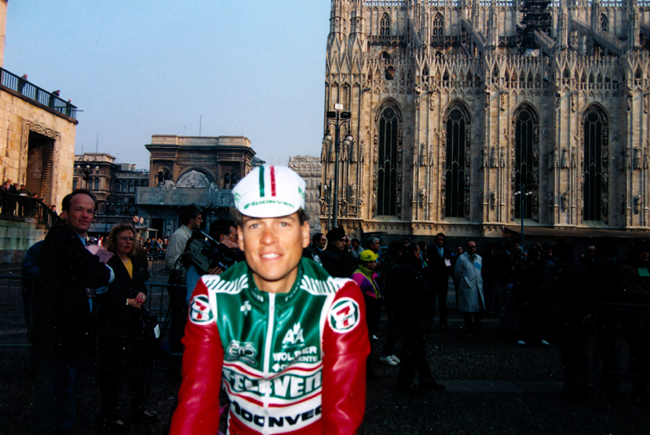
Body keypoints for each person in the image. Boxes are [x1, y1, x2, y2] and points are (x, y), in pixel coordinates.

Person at [170, 165, 370, 435]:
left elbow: (342, 413)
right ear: (240, 237)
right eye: (255, 225)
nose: (268, 239)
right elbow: (196, 401)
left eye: (282, 224)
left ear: (303, 234)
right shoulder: (213, 296)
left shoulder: (337, 299)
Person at [30, 189, 114, 434]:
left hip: (66, 338)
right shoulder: (62, 238)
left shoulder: (72, 240)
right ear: (65, 213)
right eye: (79, 209)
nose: (85, 216)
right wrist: (107, 273)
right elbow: (95, 273)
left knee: (62, 401)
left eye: (90, 211)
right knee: (60, 404)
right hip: (61, 340)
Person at [96, 223, 156, 429]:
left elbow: (140, 285)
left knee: (138, 370)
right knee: (112, 373)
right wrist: (125, 302)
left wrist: (142, 295)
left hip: (135, 324)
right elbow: (102, 292)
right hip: (113, 324)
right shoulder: (106, 261)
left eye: (131, 238)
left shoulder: (135, 261)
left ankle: (138, 408)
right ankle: (110, 414)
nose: (128, 242)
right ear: (115, 240)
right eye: (124, 238)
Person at [393, 242, 445, 393]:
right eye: (418, 252)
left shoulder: (406, 268)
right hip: (412, 317)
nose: (419, 254)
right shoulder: (409, 270)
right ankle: (407, 381)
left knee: (418, 349)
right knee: (412, 350)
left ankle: (425, 380)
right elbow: (415, 295)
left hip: (412, 316)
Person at [165, 204, 203, 353]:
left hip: (184, 284)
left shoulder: (188, 235)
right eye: (199, 219)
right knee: (178, 321)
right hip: (179, 284)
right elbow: (171, 262)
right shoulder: (180, 235)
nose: (201, 221)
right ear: (191, 219)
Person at [352, 249, 382, 379]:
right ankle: (364, 371)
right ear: (368, 263)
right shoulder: (358, 276)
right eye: (373, 261)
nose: (376, 263)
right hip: (365, 314)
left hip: (370, 313)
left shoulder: (369, 274)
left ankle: (366, 370)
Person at [454, 240, 486, 333]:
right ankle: (469, 327)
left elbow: (478, 270)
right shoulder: (462, 258)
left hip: (477, 286)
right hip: (467, 287)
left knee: (477, 309)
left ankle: (478, 326)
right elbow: (457, 272)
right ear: (467, 248)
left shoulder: (479, 258)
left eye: (474, 247)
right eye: (470, 247)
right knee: (467, 310)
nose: (472, 248)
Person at [425, 233, 453, 331]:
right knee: (431, 303)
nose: (440, 241)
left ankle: (443, 323)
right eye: (438, 239)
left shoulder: (447, 251)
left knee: (443, 304)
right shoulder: (430, 250)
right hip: (433, 280)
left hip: (443, 281)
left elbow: (449, 264)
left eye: (441, 240)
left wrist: (447, 272)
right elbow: (426, 263)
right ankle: (429, 323)